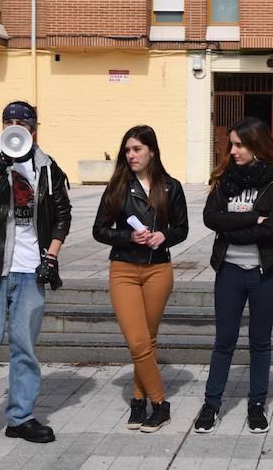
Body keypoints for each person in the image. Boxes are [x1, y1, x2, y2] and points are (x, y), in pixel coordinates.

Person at [0, 101, 72, 454]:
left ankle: (20, 418)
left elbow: (62, 216)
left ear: (33, 129)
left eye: (21, 122)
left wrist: (50, 256)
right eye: (7, 121)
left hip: (29, 271)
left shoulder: (48, 168)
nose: (13, 126)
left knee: (25, 349)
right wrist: (1, 168)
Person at [193, 117, 273, 434]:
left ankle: (256, 405)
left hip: (266, 273)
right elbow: (211, 218)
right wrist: (252, 219)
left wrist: (232, 226)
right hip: (230, 272)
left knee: (259, 342)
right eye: (232, 144)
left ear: (256, 145)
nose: (232, 150)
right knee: (224, 341)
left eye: (239, 145)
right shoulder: (226, 179)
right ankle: (211, 404)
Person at [92, 125, 188, 433]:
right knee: (137, 340)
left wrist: (164, 235)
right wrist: (129, 236)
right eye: (128, 150)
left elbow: (182, 229)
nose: (130, 155)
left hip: (159, 269)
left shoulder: (171, 187)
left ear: (152, 152)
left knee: (147, 340)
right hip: (124, 269)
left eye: (136, 149)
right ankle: (160, 402)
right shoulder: (118, 187)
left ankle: (137, 399)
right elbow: (99, 230)